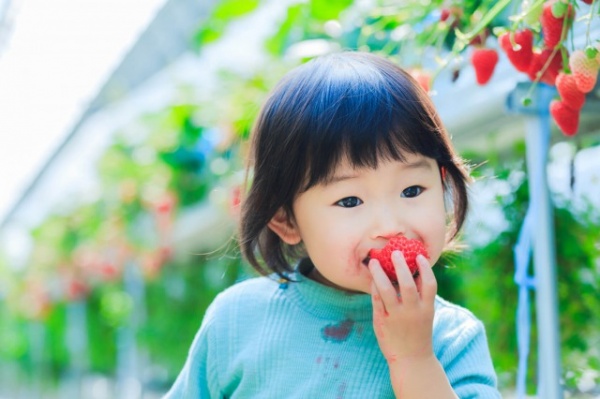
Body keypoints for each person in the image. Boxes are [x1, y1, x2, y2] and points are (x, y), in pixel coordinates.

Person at [164, 51, 501, 398]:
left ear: (443, 184)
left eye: (412, 190)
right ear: (285, 219)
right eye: (350, 201)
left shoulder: (452, 338)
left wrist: (415, 358)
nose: (389, 225)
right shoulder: (237, 321)